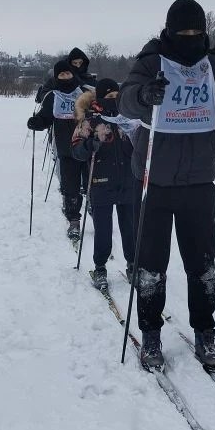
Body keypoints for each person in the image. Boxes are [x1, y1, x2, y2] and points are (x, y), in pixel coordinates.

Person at [118, 0, 215, 372]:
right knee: (152, 266)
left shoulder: (213, 65)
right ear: (170, 31)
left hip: (199, 182)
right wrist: (144, 96)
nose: (190, 37)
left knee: (202, 265)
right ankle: (151, 334)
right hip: (154, 180)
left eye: (196, 31)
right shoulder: (152, 61)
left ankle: (205, 333)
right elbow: (126, 101)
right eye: (183, 32)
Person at [72, 78, 138, 291]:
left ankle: (132, 264)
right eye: (109, 97)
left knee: (130, 228)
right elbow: (76, 150)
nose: (114, 99)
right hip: (101, 183)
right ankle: (100, 267)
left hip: (127, 181)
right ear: (100, 98)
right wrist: (89, 145)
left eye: (116, 95)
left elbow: (141, 143)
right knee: (103, 230)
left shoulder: (129, 118)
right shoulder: (90, 121)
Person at [27, 60, 88, 238]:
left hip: (86, 148)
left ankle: (97, 214)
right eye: (61, 74)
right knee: (71, 187)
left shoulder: (84, 94)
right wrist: (37, 122)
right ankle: (74, 220)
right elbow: (45, 117)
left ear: (73, 74)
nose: (65, 77)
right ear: (56, 77)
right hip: (65, 149)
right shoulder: (53, 96)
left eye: (68, 74)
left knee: (92, 185)